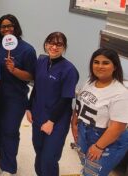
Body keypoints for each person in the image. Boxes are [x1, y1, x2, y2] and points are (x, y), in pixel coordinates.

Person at [0, 14, 37, 176]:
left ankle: (8, 167)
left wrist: (14, 70)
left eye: (9, 26)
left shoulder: (27, 50)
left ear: (16, 27)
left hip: (15, 97)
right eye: (2, 27)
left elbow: (31, 76)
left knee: (9, 130)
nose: (6, 29)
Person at [26, 32, 79, 176]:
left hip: (57, 121)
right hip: (38, 114)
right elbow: (36, 86)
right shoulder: (41, 62)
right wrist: (29, 107)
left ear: (64, 47)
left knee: (49, 158)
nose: (54, 47)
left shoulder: (69, 70)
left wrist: (51, 121)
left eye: (59, 44)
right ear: (46, 44)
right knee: (39, 151)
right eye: (51, 42)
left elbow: (66, 99)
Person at [71, 48, 128, 176]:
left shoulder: (121, 93)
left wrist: (98, 147)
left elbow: (118, 127)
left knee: (93, 172)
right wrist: (74, 124)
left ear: (115, 67)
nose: (100, 66)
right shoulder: (89, 82)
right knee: (86, 166)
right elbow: (79, 105)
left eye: (105, 63)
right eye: (96, 62)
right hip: (84, 131)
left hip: (107, 140)